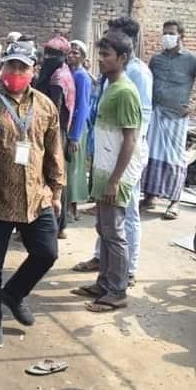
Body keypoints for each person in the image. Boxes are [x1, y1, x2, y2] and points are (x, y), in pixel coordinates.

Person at [0, 40, 63, 349]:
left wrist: (56, 189)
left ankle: (14, 293)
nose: (15, 71)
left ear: (33, 70)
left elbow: (53, 148)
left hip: (35, 196)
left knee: (47, 252)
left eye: (22, 67)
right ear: (2, 67)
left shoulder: (44, 104)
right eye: (11, 65)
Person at [73, 17, 153, 286]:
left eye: (107, 53)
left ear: (123, 54)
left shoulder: (132, 81)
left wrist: (117, 178)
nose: (101, 58)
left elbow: (132, 133)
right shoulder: (110, 81)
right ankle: (105, 278)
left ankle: (121, 279)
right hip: (107, 162)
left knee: (121, 224)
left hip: (121, 166)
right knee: (106, 226)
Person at [141, 20, 196, 220]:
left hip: (176, 117)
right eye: (164, 33)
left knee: (174, 159)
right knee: (151, 154)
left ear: (181, 35)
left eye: (171, 33)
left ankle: (174, 201)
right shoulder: (156, 59)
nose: (167, 36)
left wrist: (193, 107)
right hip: (155, 113)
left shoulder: (191, 59)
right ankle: (150, 196)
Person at [34, 35, 74, 239]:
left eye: (54, 54)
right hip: (57, 131)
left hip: (54, 132)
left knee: (54, 176)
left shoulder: (58, 78)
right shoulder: (60, 72)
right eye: (47, 53)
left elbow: (52, 110)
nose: (48, 57)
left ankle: (56, 224)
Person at [66, 40, 92, 220]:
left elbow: (83, 107)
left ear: (82, 56)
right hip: (71, 125)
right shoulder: (69, 73)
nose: (72, 55)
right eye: (70, 52)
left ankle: (72, 207)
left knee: (74, 166)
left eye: (76, 53)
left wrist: (75, 136)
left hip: (77, 127)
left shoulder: (82, 76)